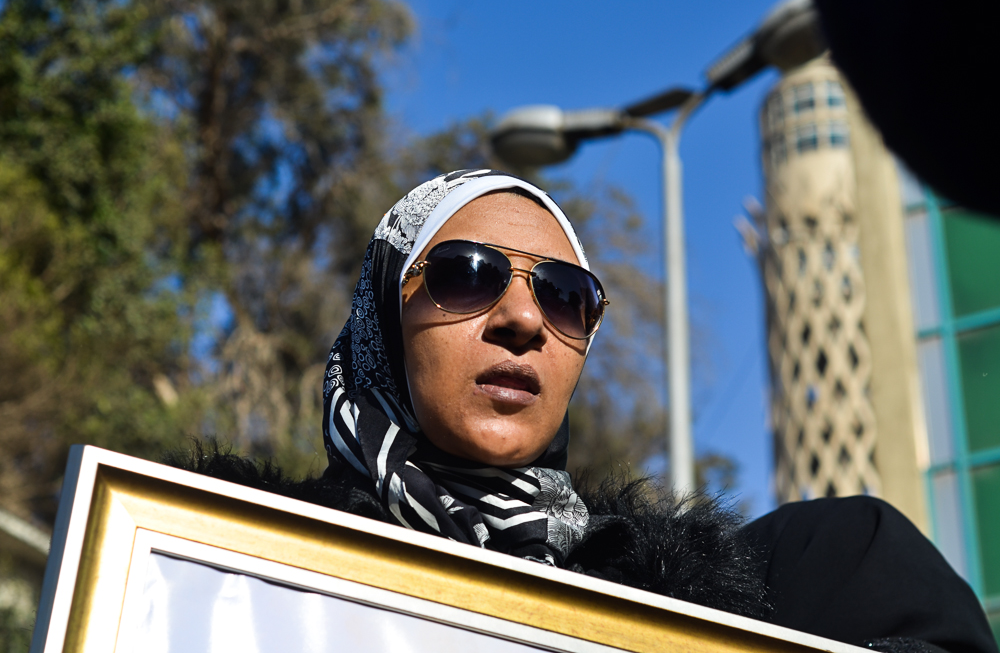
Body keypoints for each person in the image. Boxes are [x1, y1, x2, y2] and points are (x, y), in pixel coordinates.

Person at [177, 170, 997, 653]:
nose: (523, 319)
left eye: (565, 296)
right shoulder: (227, 579)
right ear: (383, 318)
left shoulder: (710, 600)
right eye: (466, 273)